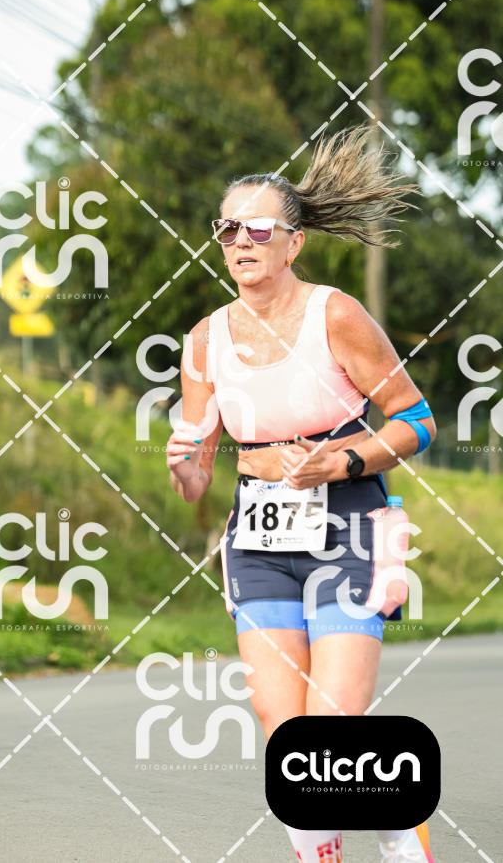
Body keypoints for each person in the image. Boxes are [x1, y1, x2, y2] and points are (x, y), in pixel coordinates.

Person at [166, 127, 436, 863]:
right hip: (259, 542)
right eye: (228, 229)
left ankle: (399, 832)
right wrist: (186, 469)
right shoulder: (205, 340)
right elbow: (199, 470)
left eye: (258, 229)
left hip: (349, 530)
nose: (240, 242)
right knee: (289, 741)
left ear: (293, 244)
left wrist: (341, 462)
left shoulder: (335, 314)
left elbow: (415, 421)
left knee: (331, 729)